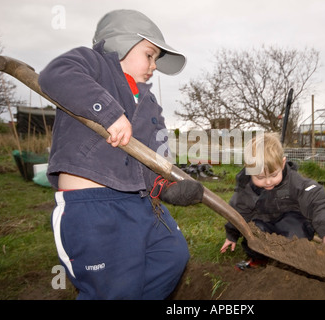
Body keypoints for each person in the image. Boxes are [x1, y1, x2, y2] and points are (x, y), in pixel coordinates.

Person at [38, 9, 203, 299]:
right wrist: (107, 111)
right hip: (93, 205)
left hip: (140, 202)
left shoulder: (149, 102)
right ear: (122, 43)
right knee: (115, 288)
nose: (154, 65)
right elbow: (56, 74)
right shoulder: (94, 66)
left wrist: (168, 187)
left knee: (171, 256)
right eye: (150, 55)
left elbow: (156, 155)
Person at [220, 132, 325, 270]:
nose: (268, 181)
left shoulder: (295, 183)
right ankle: (259, 260)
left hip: (291, 224)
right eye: (260, 177)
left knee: (294, 234)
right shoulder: (246, 189)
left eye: (273, 175)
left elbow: (319, 203)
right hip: (264, 224)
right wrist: (232, 235)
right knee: (252, 235)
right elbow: (237, 212)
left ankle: (293, 262)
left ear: (282, 164)